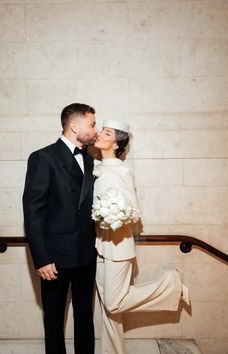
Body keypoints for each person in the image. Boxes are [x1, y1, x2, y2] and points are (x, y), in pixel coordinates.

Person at [93, 120, 190, 354]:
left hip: (119, 247)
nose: (98, 134)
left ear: (116, 143)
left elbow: (135, 211)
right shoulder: (96, 166)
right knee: (109, 311)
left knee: (113, 302)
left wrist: (112, 214)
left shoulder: (122, 170)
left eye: (105, 133)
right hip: (100, 246)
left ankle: (172, 286)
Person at [23, 103, 98, 354]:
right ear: (74, 125)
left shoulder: (88, 159)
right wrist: (41, 258)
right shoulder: (43, 158)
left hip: (86, 255)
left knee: (85, 318)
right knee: (54, 320)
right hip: (54, 259)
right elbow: (33, 212)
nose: (95, 130)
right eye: (92, 124)